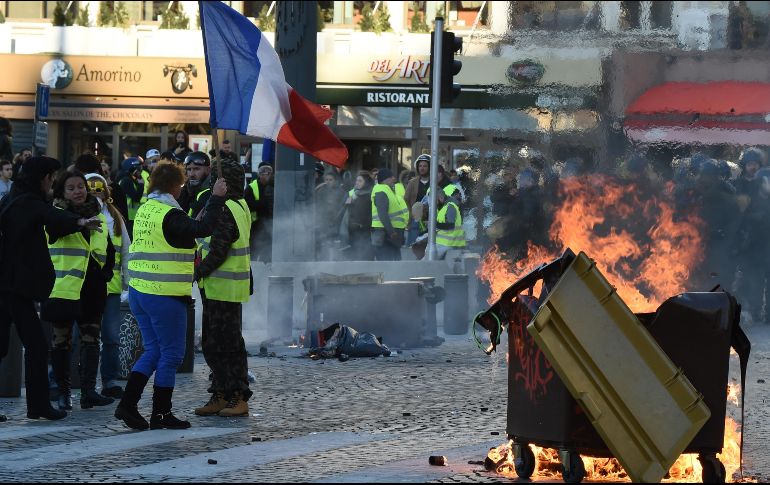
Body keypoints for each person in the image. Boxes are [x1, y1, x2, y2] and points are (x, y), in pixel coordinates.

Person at [114, 162, 227, 431]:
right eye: (181, 183)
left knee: (153, 350)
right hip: (163, 294)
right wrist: (217, 197)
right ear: (174, 185)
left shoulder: (147, 208)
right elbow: (202, 229)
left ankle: (127, 405)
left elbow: (182, 225)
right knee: (172, 354)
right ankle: (161, 413)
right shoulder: (169, 214)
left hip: (140, 292)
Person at [0, 157, 103, 422]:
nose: (52, 182)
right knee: (36, 345)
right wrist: (80, 223)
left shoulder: (15, 197)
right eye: (50, 177)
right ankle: (38, 406)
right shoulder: (27, 202)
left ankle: (38, 406)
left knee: (26, 346)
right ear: (42, 178)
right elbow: (51, 216)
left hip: (12, 286)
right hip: (11, 287)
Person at [43, 171, 116, 411]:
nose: (78, 191)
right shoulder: (55, 215)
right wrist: (80, 223)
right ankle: (63, 393)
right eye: (71, 188)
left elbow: (108, 247)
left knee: (91, 339)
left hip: (93, 288)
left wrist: (106, 272)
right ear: (62, 192)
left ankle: (88, 392)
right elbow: (55, 233)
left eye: (81, 187)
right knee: (61, 342)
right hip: (64, 287)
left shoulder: (100, 214)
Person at [193, 159, 253, 417]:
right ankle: (220, 392)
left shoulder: (228, 207)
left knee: (225, 345)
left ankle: (237, 396)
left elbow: (218, 250)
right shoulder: (239, 204)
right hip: (221, 286)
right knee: (215, 343)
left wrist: (196, 273)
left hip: (222, 287)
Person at [85, 172, 130, 399]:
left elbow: (126, 251)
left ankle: (110, 381)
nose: (96, 194)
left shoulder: (115, 217)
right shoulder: (78, 216)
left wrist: (126, 282)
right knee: (80, 337)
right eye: (91, 190)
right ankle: (77, 380)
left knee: (111, 336)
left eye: (99, 189)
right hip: (82, 287)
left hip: (110, 288)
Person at [371, 168, 407, 261]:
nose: (394, 179)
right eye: (391, 177)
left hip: (388, 235)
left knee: (394, 264)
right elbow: (382, 213)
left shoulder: (388, 190)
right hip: (385, 235)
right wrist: (392, 232)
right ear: (385, 179)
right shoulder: (381, 190)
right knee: (387, 265)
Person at [244, 163, 273, 262]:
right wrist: (263, 203)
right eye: (267, 174)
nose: (269, 176)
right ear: (260, 175)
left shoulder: (272, 186)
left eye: (270, 173)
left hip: (269, 224)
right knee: (254, 250)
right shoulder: (251, 188)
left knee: (267, 250)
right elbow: (247, 205)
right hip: (255, 225)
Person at [344, 171, 374, 261]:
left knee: (364, 257)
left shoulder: (369, 195)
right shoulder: (354, 194)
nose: (357, 183)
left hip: (364, 232)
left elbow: (367, 214)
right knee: (354, 257)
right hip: (353, 232)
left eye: (360, 181)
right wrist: (348, 204)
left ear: (366, 182)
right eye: (356, 180)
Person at [405, 154, 432, 245]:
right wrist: (411, 214)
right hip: (416, 220)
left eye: (425, 166)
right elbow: (406, 200)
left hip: (431, 220)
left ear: (429, 167)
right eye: (420, 166)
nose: (422, 168)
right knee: (413, 246)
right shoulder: (412, 182)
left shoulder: (434, 182)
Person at [434, 185, 466, 260]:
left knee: (430, 261)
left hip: (449, 244)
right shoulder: (446, 207)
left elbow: (450, 226)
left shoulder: (450, 207)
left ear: (441, 198)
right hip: (446, 244)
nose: (435, 203)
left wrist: (435, 225)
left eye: (436, 201)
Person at [117, 157, 145, 235]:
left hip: (131, 217)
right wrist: (141, 185)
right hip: (128, 218)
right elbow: (136, 198)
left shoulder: (130, 179)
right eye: (138, 168)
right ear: (131, 169)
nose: (140, 171)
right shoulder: (126, 181)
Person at [179, 151, 212, 217]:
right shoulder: (183, 192)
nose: (191, 174)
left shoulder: (213, 194)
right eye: (189, 169)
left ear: (208, 170)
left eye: (196, 169)